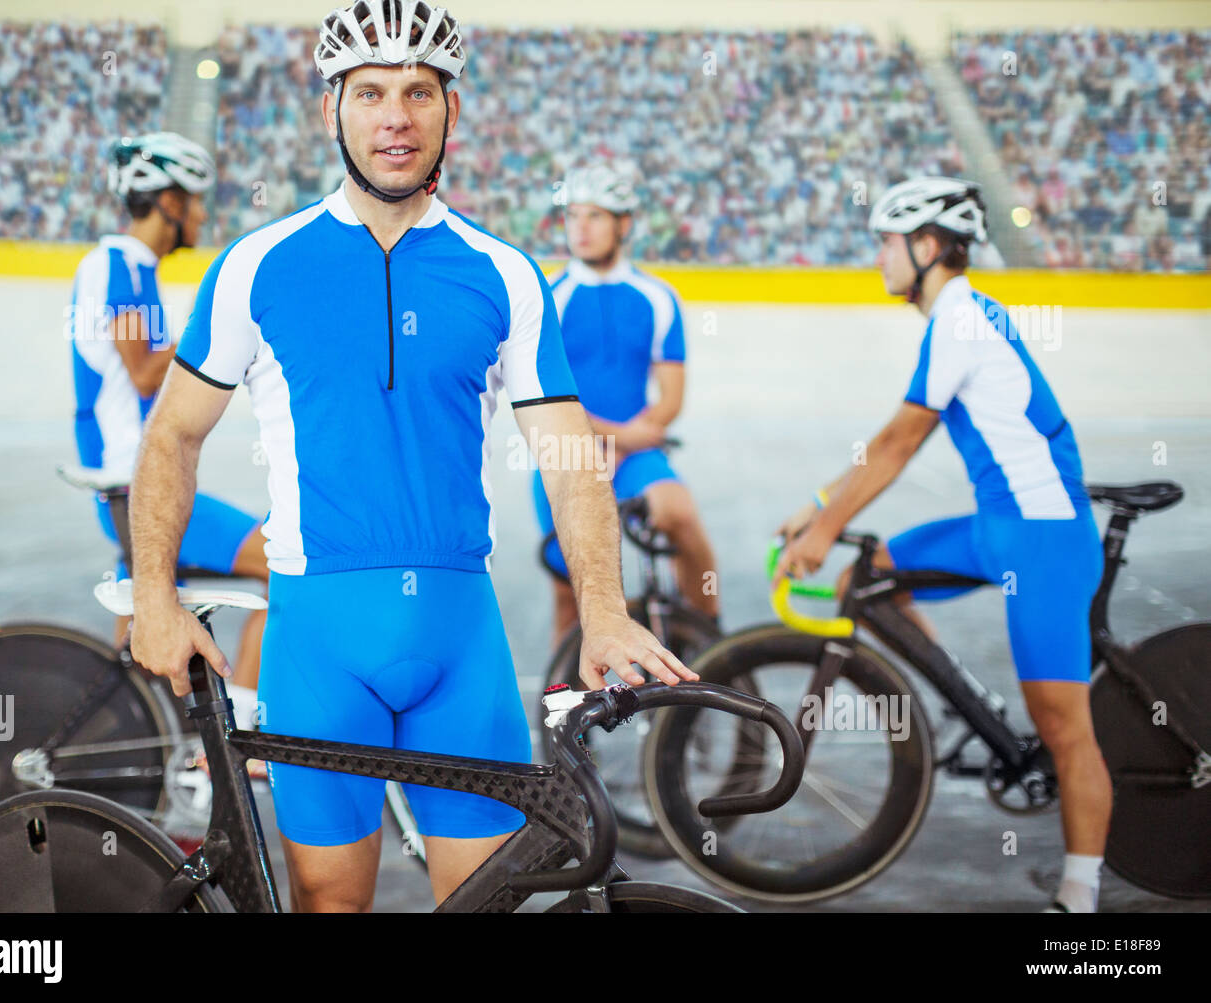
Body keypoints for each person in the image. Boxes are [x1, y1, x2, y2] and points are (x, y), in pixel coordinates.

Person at [126, 0, 694, 914]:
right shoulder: (258, 265)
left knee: (485, 904)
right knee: (330, 906)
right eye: (372, 92)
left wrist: (606, 610)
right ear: (331, 110)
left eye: (420, 92)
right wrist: (154, 594)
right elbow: (173, 435)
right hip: (318, 640)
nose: (396, 114)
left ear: (450, 112)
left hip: (459, 640)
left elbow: (567, 452)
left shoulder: (502, 274)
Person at [774, 177, 1109, 914]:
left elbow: (897, 442)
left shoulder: (959, 318)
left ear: (927, 246)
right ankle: (973, 705)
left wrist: (824, 526)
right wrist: (818, 508)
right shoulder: (955, 318)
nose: (878, 257)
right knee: (874, 575)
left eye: (887, 243)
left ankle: (1080, 895)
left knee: (1062, 726)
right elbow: (887, 446)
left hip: (1044, 537)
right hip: (997, 526)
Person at [68, 132, 268, 719]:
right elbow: (147, 370)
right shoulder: (122, 263)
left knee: (135, 649)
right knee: (281, 565)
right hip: (138, 483)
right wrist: (222, 330)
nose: (204, 213)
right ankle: (239, 746)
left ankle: (118, 738)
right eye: (197, 200)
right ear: (169, 204)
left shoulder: (128, 267)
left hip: (126, 485)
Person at [536, 162, 720, 648]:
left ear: (625, 224)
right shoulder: (548, 297)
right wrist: (606, 439)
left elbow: (672, 398)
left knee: (679, 514)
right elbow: (542, 397)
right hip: (568, 453)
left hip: (636, 452)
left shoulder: (658, 297)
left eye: (595, 216)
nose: (580, 227)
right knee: (567, 592)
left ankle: (711, 639)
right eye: (573, 215)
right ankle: (565, 711)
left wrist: (622, 443)